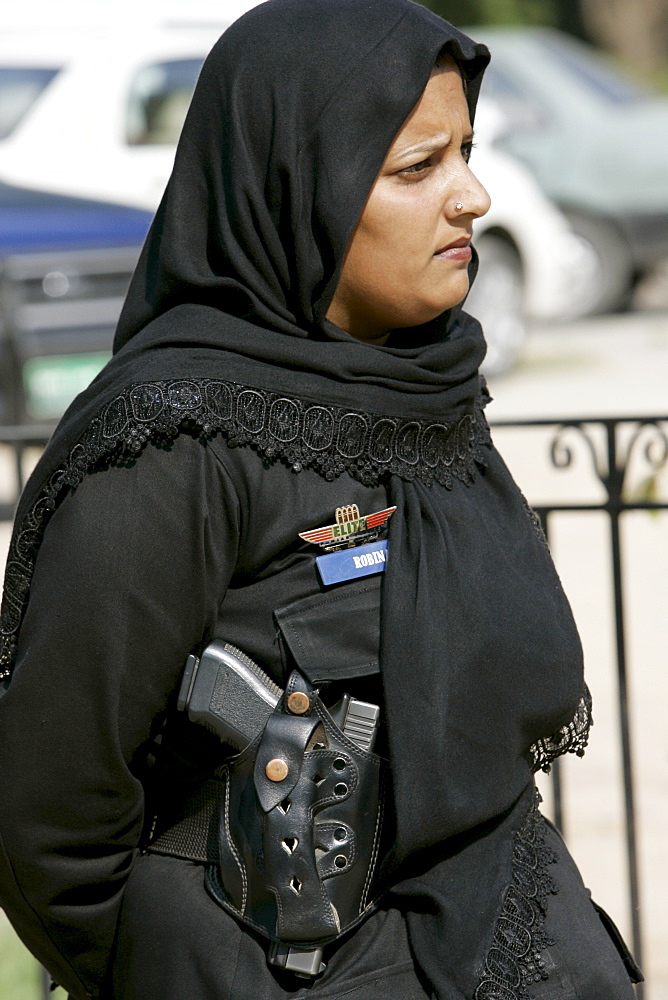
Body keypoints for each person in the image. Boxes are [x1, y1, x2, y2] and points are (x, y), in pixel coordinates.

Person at [0, 2, 642, 998]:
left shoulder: (428, 388)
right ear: (299, 187)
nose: (471, 195)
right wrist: (193, 963)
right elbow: (52, 821)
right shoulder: (173, 447)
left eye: (466, 149)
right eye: (415, 167)